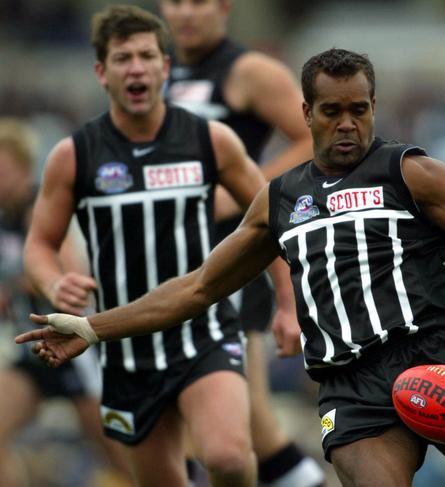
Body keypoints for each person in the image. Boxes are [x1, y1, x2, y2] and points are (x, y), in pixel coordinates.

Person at [18, 48, 445, 487]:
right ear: (306, 113)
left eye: (360, 110)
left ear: (373, 108)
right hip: (351, 389)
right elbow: (199, 287)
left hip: (436, 358)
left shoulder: (411, 173)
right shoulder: (279, 198)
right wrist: (94, 328)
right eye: (332, 112)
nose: (348, 124)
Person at [20, 6, 300, 487]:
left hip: (205, 330)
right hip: (122, 342)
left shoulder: (210, 140)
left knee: (229, 457)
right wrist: (54, 280)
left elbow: (269, 222)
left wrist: (288, 306)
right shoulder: (75, 155)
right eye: (123, 57)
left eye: (148, 55)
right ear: (102, 73)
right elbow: (40, 245)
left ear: (165, 68)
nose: (137, 67)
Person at [159, 2, 324, 485]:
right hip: (175, 253)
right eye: (175, 1)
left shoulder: (247, 70)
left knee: (213, 417)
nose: (186, 13)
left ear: (224, 7)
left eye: (199, 1)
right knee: (250, 421)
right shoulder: (162, 70)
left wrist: (242, 190)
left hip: (230, 254)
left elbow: (312, 138)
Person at [0, 118, 130, 486]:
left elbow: (71, 276)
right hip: (35, 350)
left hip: (75, 349)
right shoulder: (4, 220)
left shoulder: (38, 209)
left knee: (120, 455)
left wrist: (32, 281)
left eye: (3, 168)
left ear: (24, 168)